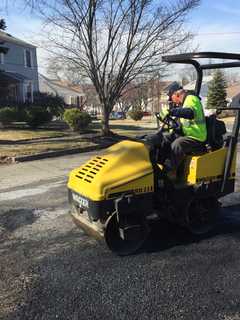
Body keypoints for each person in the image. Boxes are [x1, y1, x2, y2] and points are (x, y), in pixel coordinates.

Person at [149, 82, 207, 172]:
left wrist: (171, 111)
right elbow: (183, 121)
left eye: (171, 97)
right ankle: (158, 165)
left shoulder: (191, 98)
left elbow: (189, 113)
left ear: (177, 94)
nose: (171, 101)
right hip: (187, 134)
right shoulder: (183, 103)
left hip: (197, 137)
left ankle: (169, 171)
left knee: (177, 145)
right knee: (163, 138)